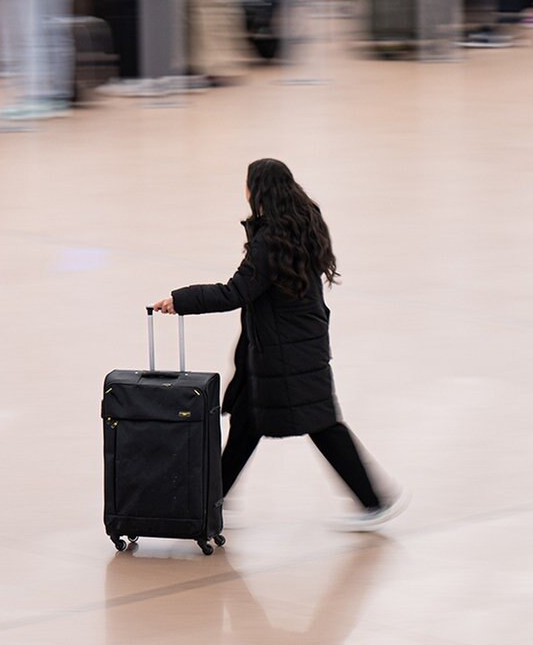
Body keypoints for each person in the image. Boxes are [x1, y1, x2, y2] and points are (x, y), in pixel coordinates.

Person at [154, 158, 405, 531]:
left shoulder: (269, 240)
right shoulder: (303, 223)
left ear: (258, 190)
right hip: (291, 344)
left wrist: (182, 300)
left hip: (285, 352)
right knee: (248, 423)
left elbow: (234, 292)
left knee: (320, 424)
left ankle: (373, 500)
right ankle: (210, 500)